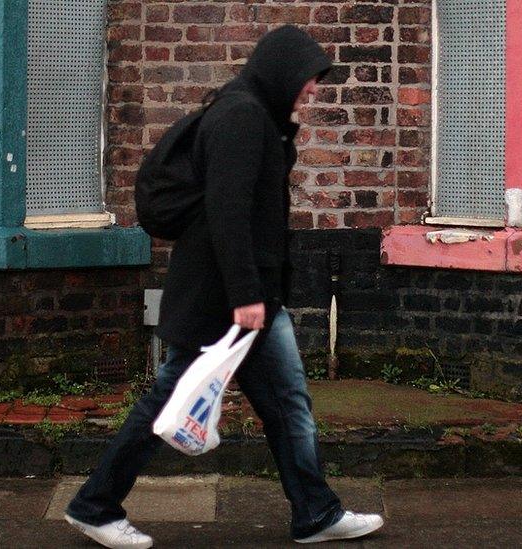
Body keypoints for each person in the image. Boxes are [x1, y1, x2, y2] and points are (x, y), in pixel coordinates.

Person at [64, 26, 384, 548]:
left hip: (253, 298)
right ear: (283, 72)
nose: (315, 89)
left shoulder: (265, 119)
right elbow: (228, 213)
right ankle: (93, 506)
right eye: (310, 78)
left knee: (288, 404)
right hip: (222, 299)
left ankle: (315, 513)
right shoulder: (241, 117)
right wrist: (245, 296)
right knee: (167, 406)